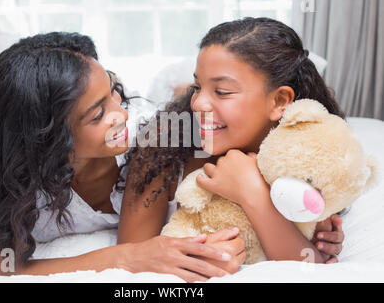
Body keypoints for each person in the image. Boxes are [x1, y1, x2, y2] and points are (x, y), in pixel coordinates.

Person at [0, 32, 245, 282]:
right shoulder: (13, 187)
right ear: (49, 139)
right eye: (99, 113)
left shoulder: (151, 144)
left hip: (157, 126)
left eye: (114, 91)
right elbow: (11, 269)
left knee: (177, 100)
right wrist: (125, 257)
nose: (122, 113)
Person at [118, 18, 345, 265]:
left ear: (279, 101)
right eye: (197, 87)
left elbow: (311, 266)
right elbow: (131, 258)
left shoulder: (310, 159)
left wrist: (252, 193)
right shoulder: (163, 147)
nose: (198, 104)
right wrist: (199, 254)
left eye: (222, 92)